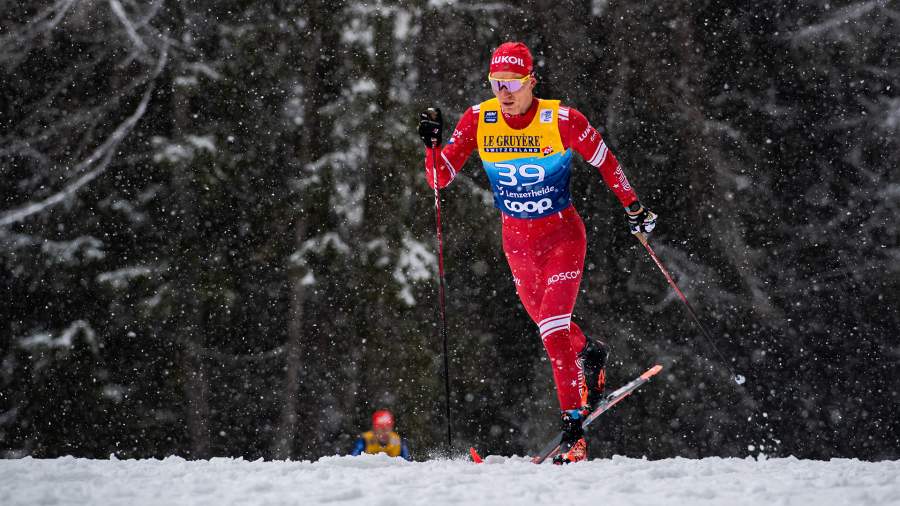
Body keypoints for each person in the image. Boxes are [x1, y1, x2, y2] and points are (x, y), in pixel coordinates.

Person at [417, 42, 657, 464]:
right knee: (553, 329)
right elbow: (440, 179)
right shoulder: (479, 118)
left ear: (531, 81)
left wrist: (634, 207)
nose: (504, 93)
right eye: (496, 83)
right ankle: (590, 355)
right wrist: (431, 145)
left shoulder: (561, 120)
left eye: (512, 83)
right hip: (516, 243)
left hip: (562, 238)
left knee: (551, 329)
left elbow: (606, 162)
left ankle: (574, 431)